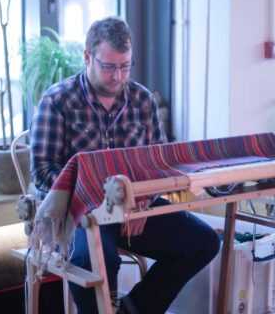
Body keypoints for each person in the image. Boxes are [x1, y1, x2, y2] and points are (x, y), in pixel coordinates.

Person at [30, 17, 220, 314]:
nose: (117, 76)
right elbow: (43, 174)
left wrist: (141, 201)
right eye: (108, 67)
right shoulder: (58, 101)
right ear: (88, 57)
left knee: (203, 242)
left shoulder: (142, 100)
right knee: (95, 260)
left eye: (125, 66)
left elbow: (158, 163)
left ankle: (133, 309)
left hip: (135, 208)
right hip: (80, 211)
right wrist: (99, 196)